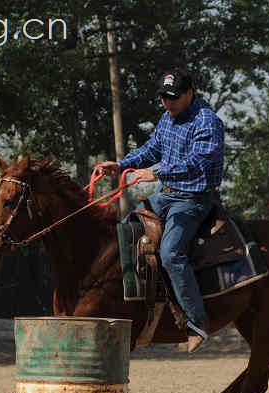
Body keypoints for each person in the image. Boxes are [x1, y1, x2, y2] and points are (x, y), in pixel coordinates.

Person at [100, 66, 225, 353]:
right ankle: (136, 305)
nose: (167, 103)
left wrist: (156, 174)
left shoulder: (207, 122)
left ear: (189, 93)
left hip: (193, 199)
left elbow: (199, 162)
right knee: (126, 233)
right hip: (165, 195)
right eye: (163, 98)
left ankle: (197, 322)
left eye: (173, 97)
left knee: (171, 254)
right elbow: (152, 148)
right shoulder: (167, 119)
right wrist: (122, 165)